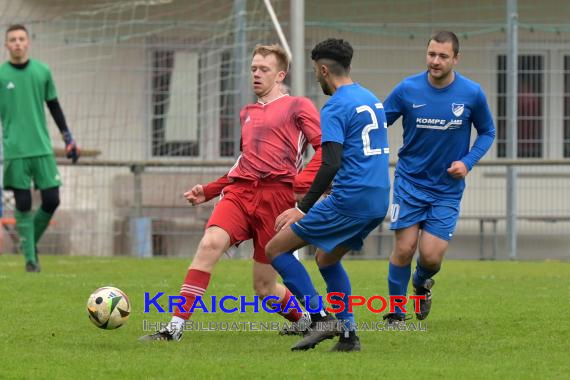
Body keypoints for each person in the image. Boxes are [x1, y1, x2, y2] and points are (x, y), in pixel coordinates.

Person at [140, 44, 322, 341]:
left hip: (277, 200)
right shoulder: (247, 113)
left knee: (264, 288)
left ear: (280, 75)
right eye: (253, 69)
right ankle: (174, 327)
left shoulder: (298, 106)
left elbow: (324, 150)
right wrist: (210, 191)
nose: (256, 74)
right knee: (210, 243)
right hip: (240, 193)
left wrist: (302, 186)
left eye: (263, 69)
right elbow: (244, 164)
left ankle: (303, 319)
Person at [265, 38, 391, 352]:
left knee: (276, 249)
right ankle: (349, 336)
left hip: (352, 199)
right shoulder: (370, 98)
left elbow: (330, 161)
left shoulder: (335, 105)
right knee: (326, 257)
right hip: (378, 200)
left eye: (315, 73)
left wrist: (302, 208)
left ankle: (322, 319)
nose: (317, 79)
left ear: (324, 70)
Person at [382, 31, 496, 322]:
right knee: (404, 248)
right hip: (409, 182)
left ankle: (421, 284)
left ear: (455, 58)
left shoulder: (471, 93)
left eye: (443, 56)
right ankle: (396, 313)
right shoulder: (407, 89)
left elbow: (487, 132)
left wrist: (467, 162)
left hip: (447, 187)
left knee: (431, 257)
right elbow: (379, 121)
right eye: (431, 54)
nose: (435, 61)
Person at [0, 24, 80, 272]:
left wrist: (68, 138)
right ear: (6, 45)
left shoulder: (42, 71)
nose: (17, 43)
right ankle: (31, 261)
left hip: (42, 147)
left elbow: (54, 107)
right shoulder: (1, 76)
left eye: (21, 39)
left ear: (28, 43)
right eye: (12, 39)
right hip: (16, 149)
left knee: (52, 198)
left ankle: (28, 245)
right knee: (23, 204)